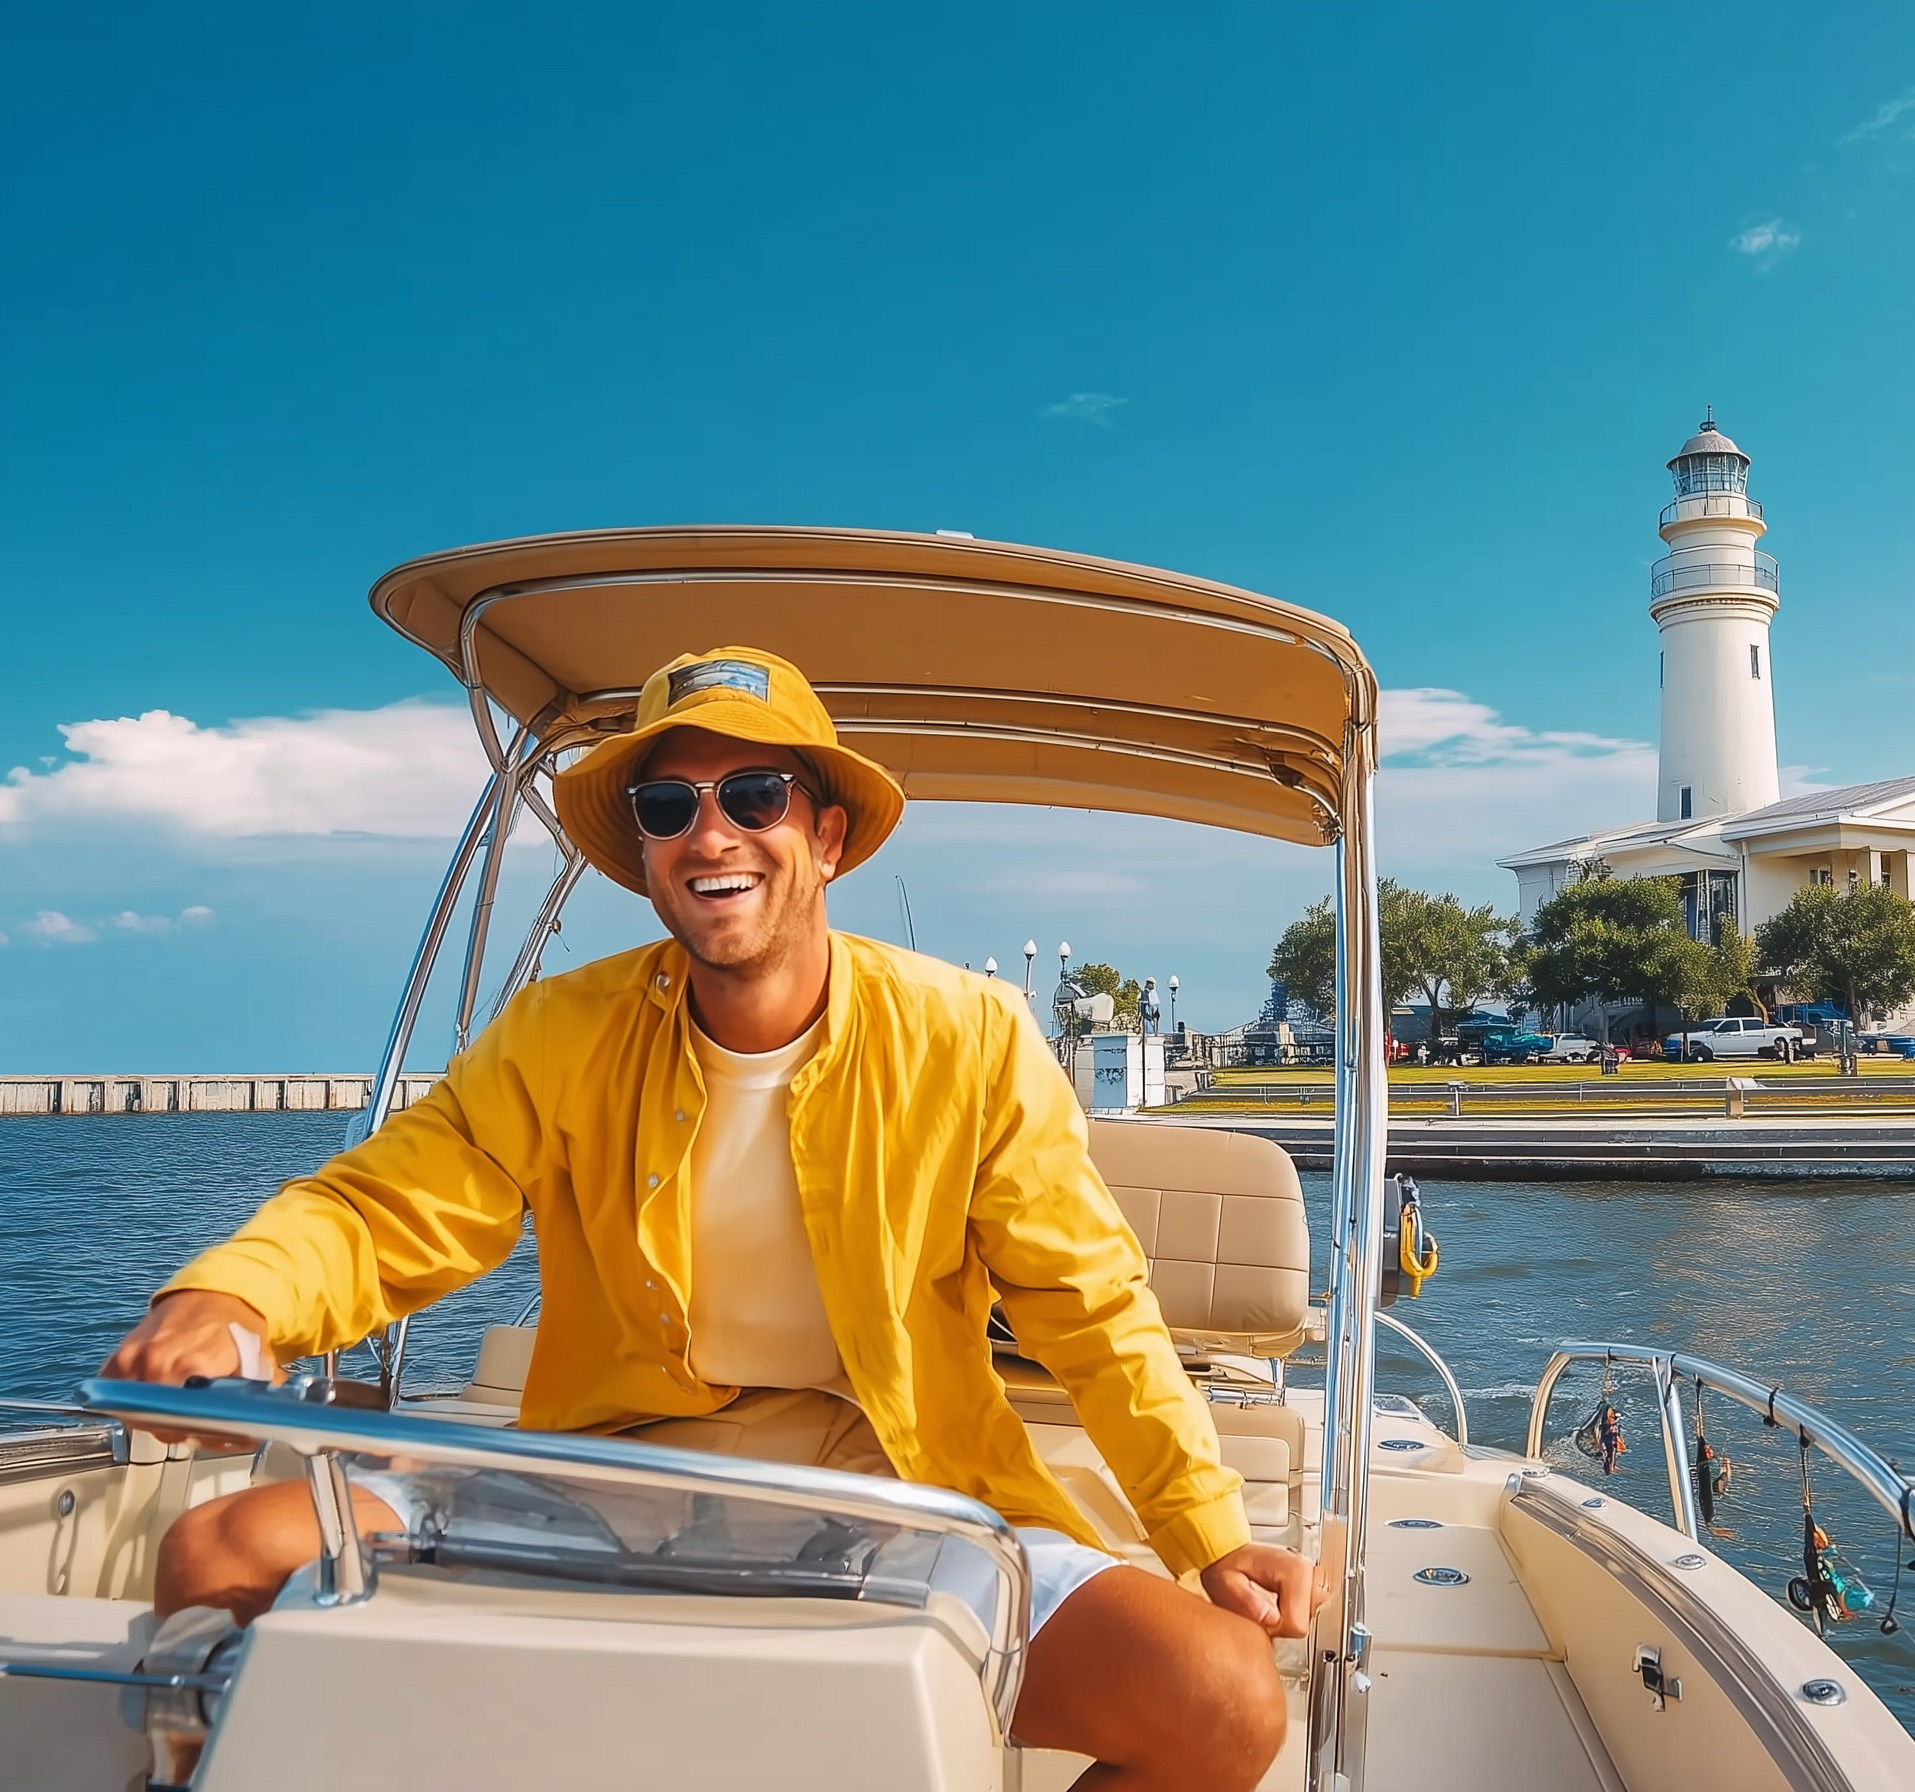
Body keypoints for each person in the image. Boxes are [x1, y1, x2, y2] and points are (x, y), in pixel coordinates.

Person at [103, 647, 1311, 1791]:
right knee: (216, 1558)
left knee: (1223, 1702)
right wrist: (235, 1298)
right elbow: (391, 1205)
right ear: (643, 852)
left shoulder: (975, 1038)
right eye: (667, 806)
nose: (711, 831)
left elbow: (1089, 1307)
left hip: (893, 1483)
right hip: (606, 1474)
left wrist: (1208, 1530)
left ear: (826, 835)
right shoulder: (557, 1033)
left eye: (754, 791)